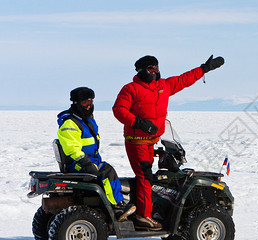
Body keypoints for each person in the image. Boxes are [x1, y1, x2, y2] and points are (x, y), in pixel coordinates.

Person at [113, 54, 224, 230]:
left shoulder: (163, 86)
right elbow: (119, 110)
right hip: (136, 142)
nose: (155, 71)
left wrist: (204, 69)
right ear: (142, 71)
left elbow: (184, 80)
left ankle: (153, 209)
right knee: (145, 177)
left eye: (156, 68)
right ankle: (143, 216)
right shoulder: (131, 89)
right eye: (150, 69)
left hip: (152, 142)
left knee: (157, 177)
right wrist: (138, 123)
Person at [57, 87, 135, 221]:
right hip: (78, 164)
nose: (88, 106)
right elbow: (72, 149)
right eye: (84, 103)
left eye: (91, 102)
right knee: (107, 171)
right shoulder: (70, 123)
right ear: (76, 103)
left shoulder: (86, 120)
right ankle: (117, 206)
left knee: (105, 168)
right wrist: (86, 163)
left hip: (89, 160)